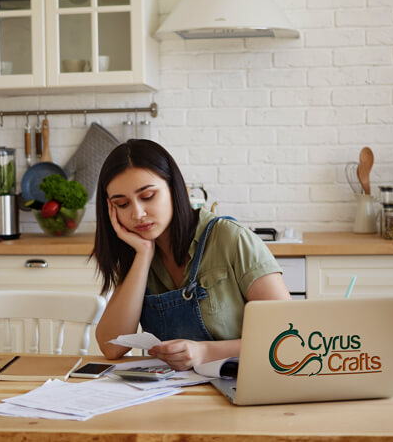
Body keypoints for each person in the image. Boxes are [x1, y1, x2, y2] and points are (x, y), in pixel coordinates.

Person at [92, 139, 291, 371]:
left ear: (176, 190)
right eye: (123, 204)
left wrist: (205, 352)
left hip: (245, 384)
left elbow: (287, 335)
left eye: (147, 197)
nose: (138, 213)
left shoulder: (230, 238)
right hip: (173, 394)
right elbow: (111, 347)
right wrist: (144, 255)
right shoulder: (138, 254)